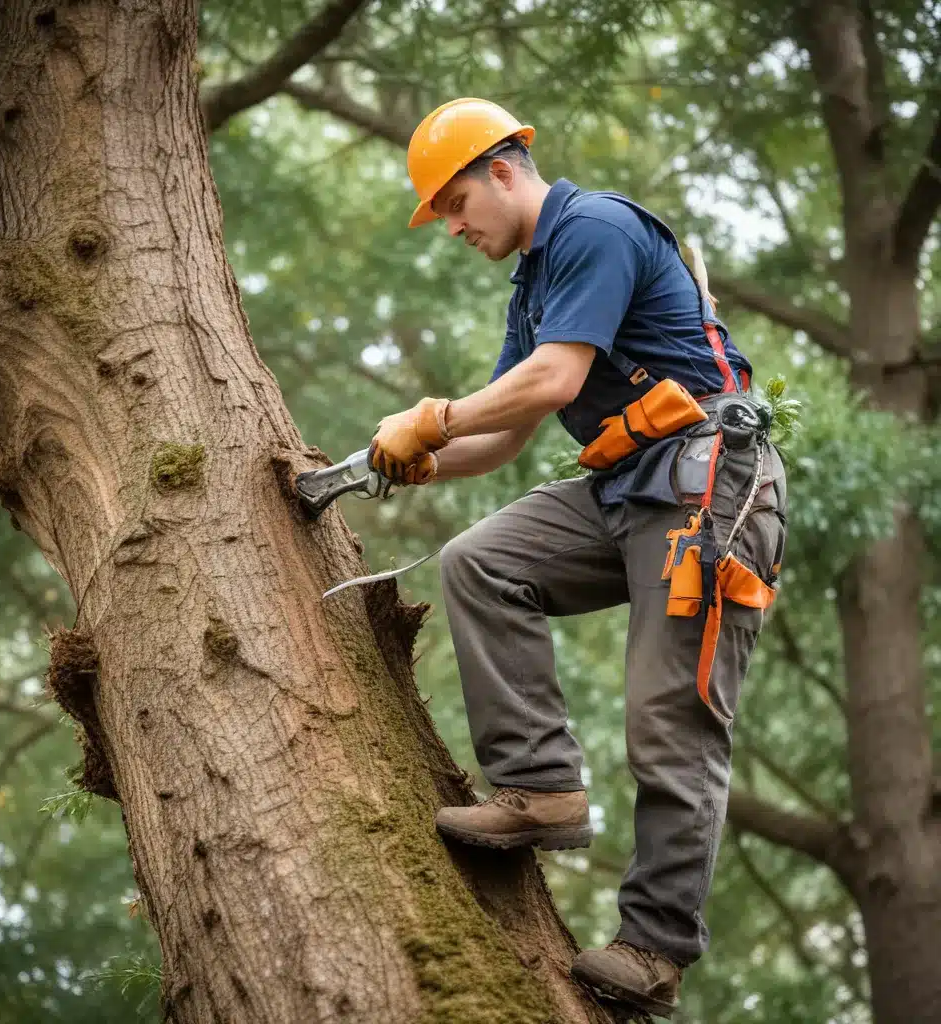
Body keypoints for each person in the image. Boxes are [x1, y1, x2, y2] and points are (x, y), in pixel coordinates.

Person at [367, 97, 787, 1019]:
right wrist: (409, 460)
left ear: (504, 171)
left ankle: (656, 949)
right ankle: (539, 790)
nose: (452, 227)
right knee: (483, 560)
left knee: (668, 717)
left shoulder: (594, 226)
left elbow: (552, 382)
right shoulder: (535, 284)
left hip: (709, 486)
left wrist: (436, 413)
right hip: (629, 487)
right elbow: (508, 432)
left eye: (454, 203)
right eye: (440, 213)